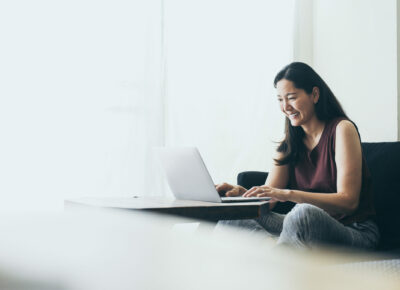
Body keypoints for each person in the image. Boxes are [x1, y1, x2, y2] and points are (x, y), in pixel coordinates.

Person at [215, 62, 380, 250]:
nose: (285, 107)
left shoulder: (342, 129)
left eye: (291, 97)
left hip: (355, 231)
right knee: (234, 215)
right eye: (279, 100)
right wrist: (240, 193)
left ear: (315, 95)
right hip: (304, 228)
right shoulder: (290, 144)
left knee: (302, 214)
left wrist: (288, 194)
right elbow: (268, 200)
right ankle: (275, 252)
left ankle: (272, 254)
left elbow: (349, 201)